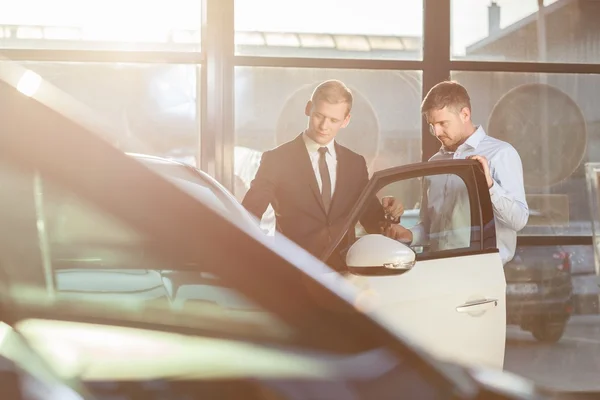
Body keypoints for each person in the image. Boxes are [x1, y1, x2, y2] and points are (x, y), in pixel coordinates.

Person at [242, 79, 404, 270]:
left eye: (333, 120)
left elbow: (372, 221)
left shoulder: (355, 164)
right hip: (292, 274)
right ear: (308, 108)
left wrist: (391, 213)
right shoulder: (276, 160)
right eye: (319, 115)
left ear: (346, 121)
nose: (324, 126)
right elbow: (248, 214)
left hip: (344, 275)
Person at [386, 80, 529, 265]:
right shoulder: (434, 164)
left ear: (465, 114)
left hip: (481, 273)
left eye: (442, 123)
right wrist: (410, 234)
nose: (436, 132)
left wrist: (490, 186)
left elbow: (519, 220)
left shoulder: (501, 154)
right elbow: (431, 227)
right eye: (432, 124)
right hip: (438, 271)